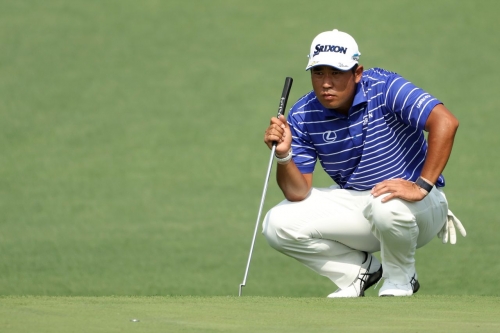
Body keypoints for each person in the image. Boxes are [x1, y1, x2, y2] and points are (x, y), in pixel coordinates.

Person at [262, 29, 466, 297]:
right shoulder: (303, 113)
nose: (325, 83)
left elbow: (445, 122)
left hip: (418, 208)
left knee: (387, 203)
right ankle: (358, 272)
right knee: (277, 223)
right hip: (362, 204)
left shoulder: (385, 87)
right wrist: (283, 155)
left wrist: (421, 186)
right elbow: (297, 192)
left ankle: (402, 277)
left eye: (336, 73)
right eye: (318, 72)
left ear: (357, 73)